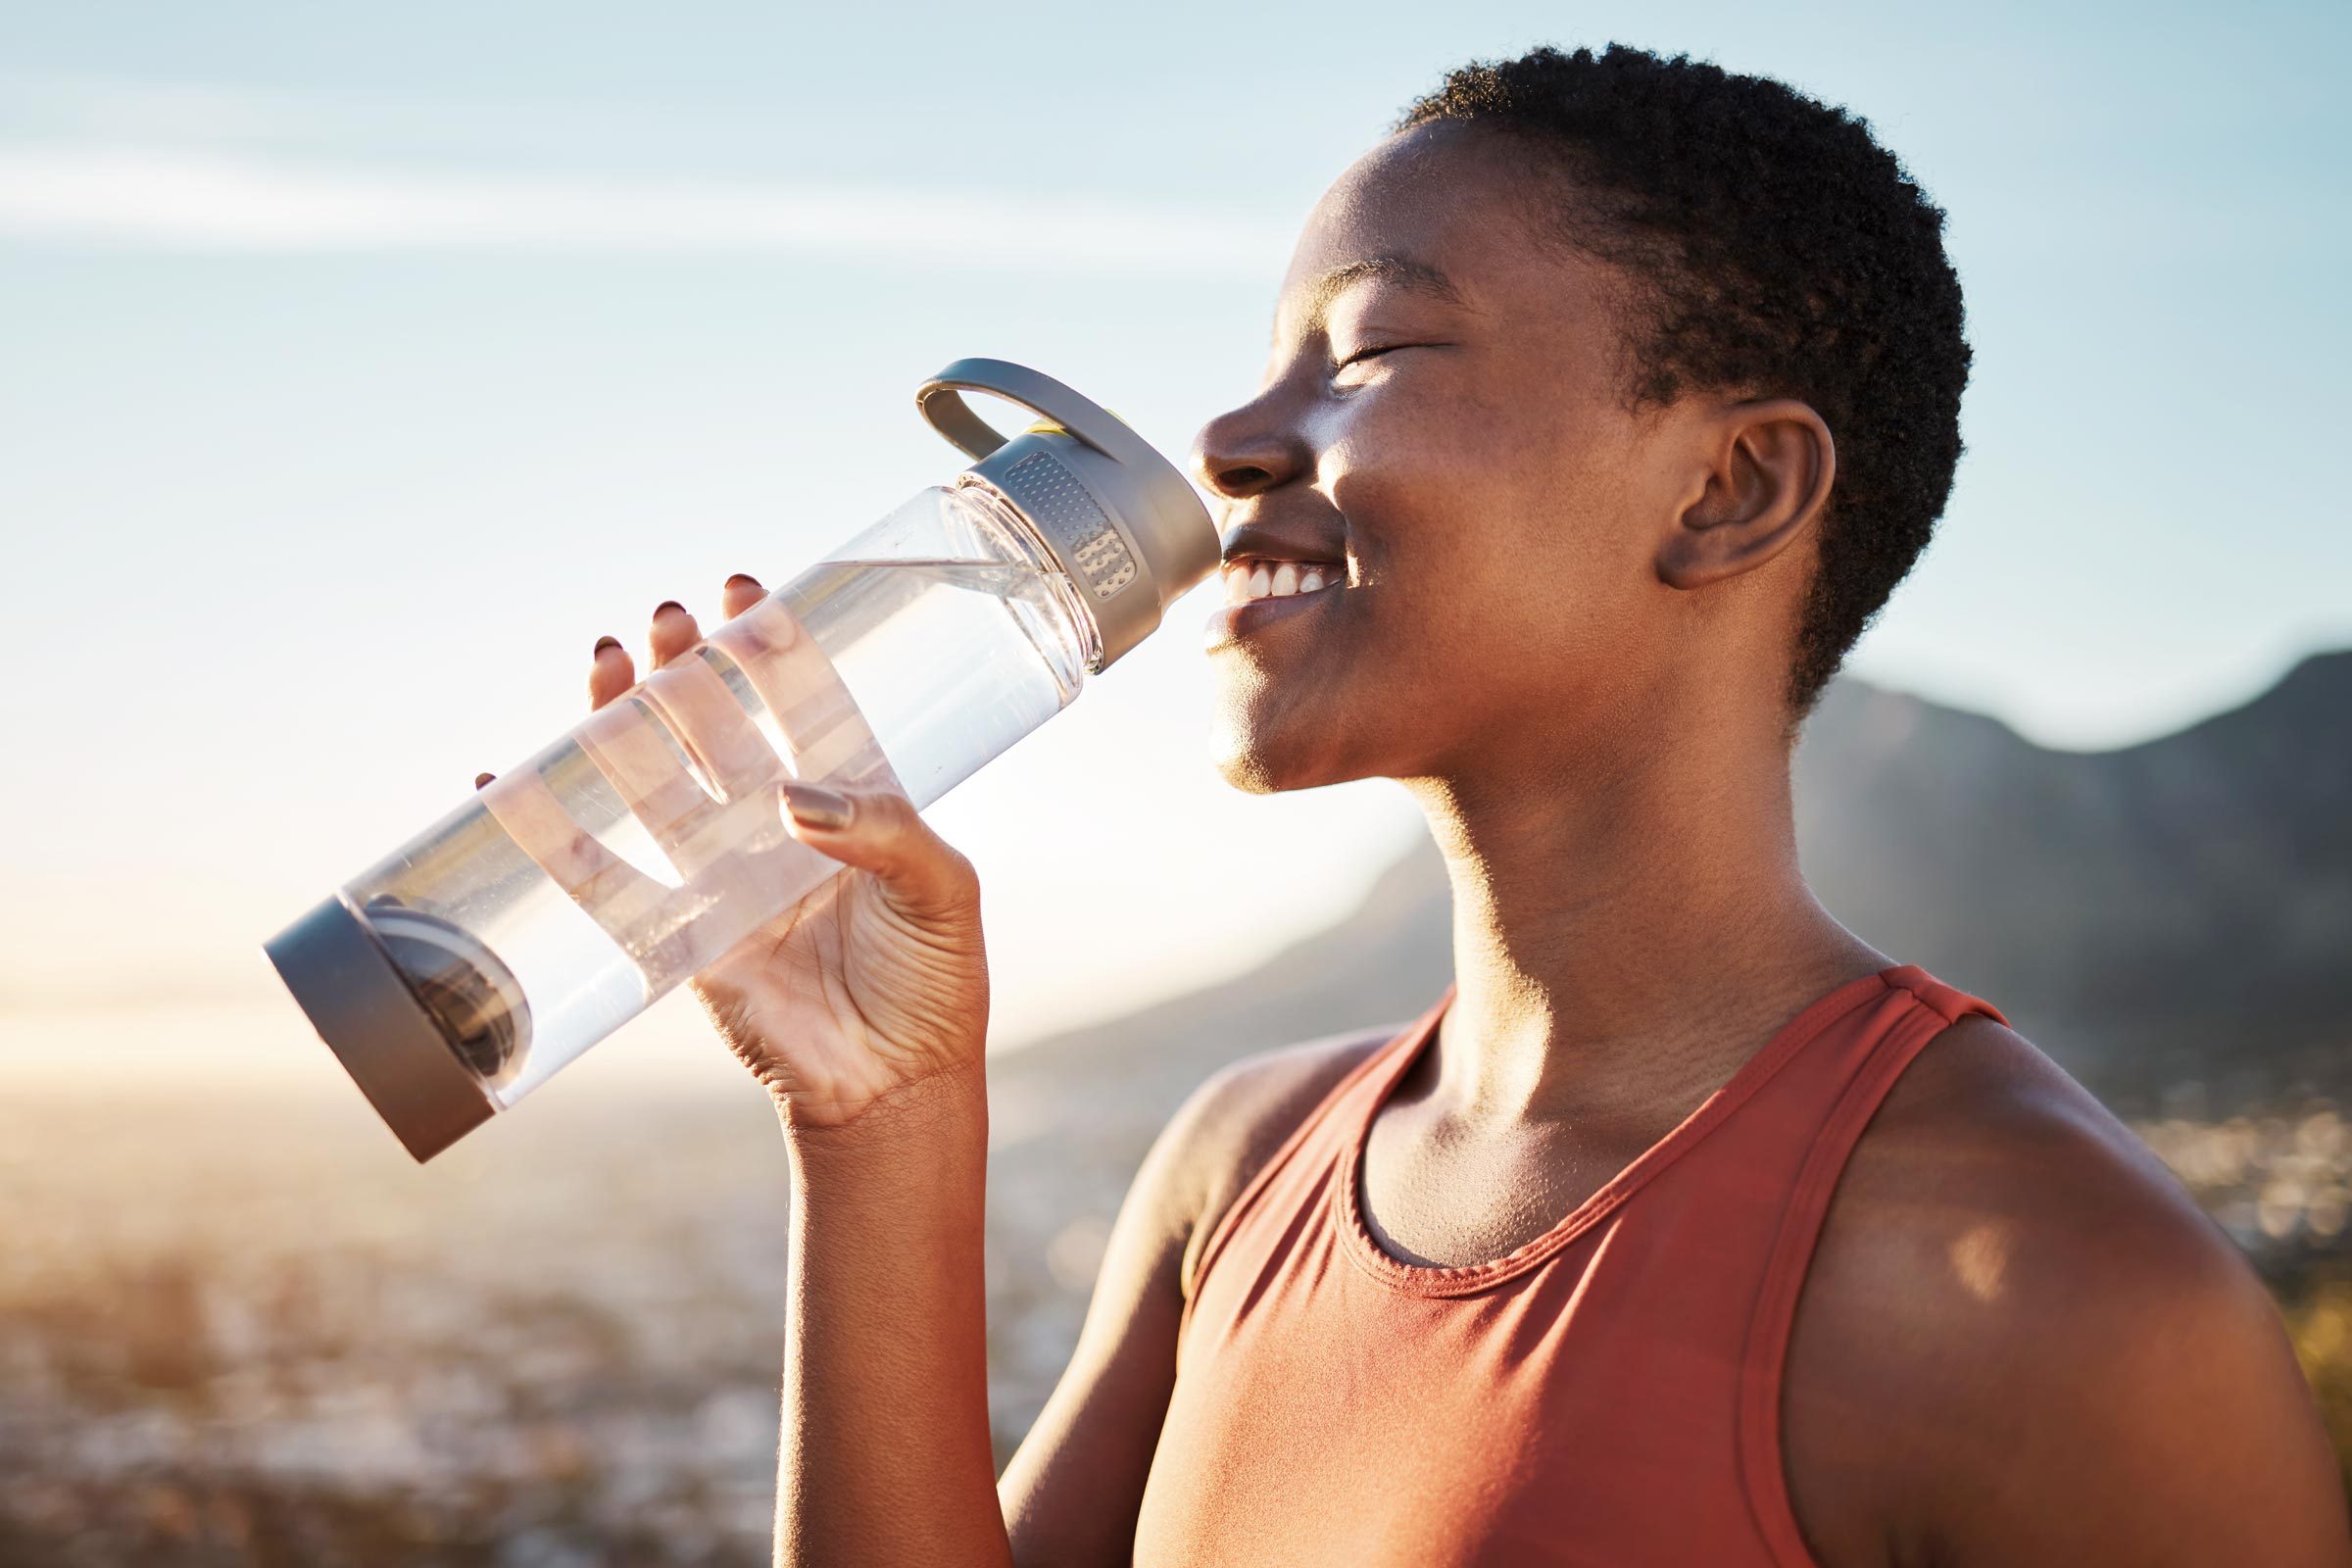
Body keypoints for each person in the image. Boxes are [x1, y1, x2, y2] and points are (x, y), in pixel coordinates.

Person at [574, 42, 2349, 1568]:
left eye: (1366, 355)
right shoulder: (1242, 1167)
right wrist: (873, 1121)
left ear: (1730, 490)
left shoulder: (2053, 1292)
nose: (1232, 443)